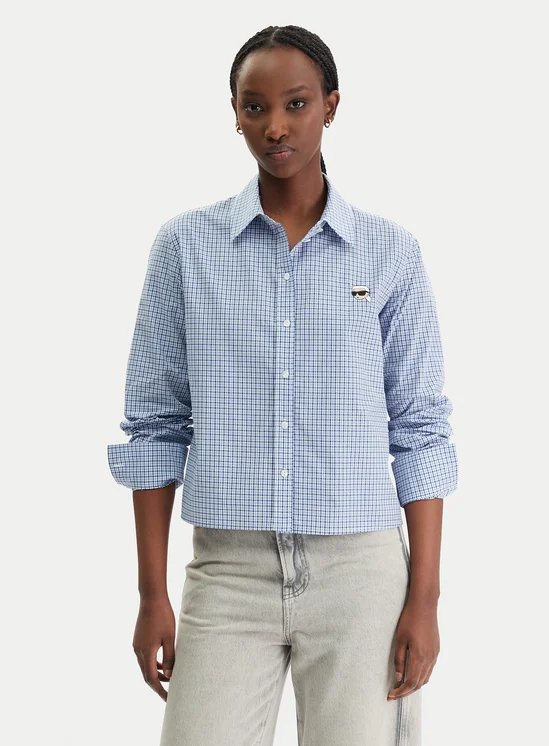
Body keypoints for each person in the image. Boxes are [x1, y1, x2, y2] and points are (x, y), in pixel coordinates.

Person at [107, 24, 458, 746]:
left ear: (331, 105)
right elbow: (155, 427)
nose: (275, 126)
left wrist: (424, 599)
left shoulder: (389, 252)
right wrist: (151, 594)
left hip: (360, 574)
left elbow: (420, 428)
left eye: (296, 103)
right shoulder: (185, 248)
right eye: (255, 106)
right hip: (228, 571)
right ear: (234, 114)